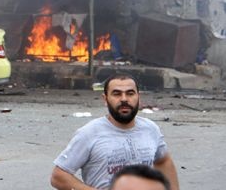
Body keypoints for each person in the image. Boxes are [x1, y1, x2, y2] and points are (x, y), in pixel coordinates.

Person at [50, 73, 179, 190]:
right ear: (105, 99)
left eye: (130, 93)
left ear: (138, 97)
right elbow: (59, 176)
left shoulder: (151, 129)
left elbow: (163, 161)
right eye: (117, 94)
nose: (124, 99)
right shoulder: (89, 133)